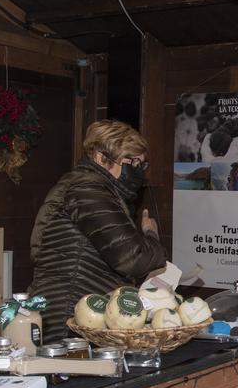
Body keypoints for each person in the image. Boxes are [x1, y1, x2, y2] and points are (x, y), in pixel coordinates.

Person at [29, 120, 166, 341]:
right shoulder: (88, 191)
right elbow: (132, 258)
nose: (138, 172)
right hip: (70, 316)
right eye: (131, 163)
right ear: (101, 158)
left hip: (79, 312)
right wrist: (151, 235)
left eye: (142, 165)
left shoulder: (90, 189)